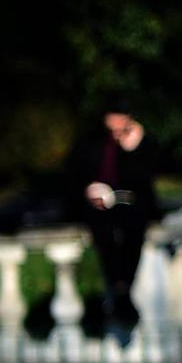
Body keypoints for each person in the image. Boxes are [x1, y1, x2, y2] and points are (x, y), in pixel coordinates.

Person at [67, 103, 160, 332]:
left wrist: (133, 148)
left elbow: (145, 180)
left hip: (130, 204)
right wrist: (91, 190)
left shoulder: (139, 143)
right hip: (97, 205)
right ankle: (120, 290)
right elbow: (77, 172)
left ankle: (122, 289)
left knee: (133, 229)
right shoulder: (93, 141)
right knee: (104, 233)